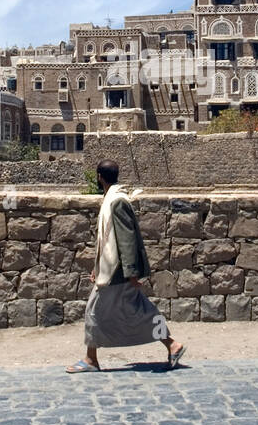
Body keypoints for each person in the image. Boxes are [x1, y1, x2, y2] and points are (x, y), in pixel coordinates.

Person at [67, 160, 185, 373]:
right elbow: (106, 239)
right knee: (139, 310)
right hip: (112, 270)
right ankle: (172, 344)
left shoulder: (117, 202)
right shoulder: (112, 199)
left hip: (116, 272)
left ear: (99, 177)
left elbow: (126, 238)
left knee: (93, 310)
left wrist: (131, 273)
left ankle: (91, 359)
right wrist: (97, 267)